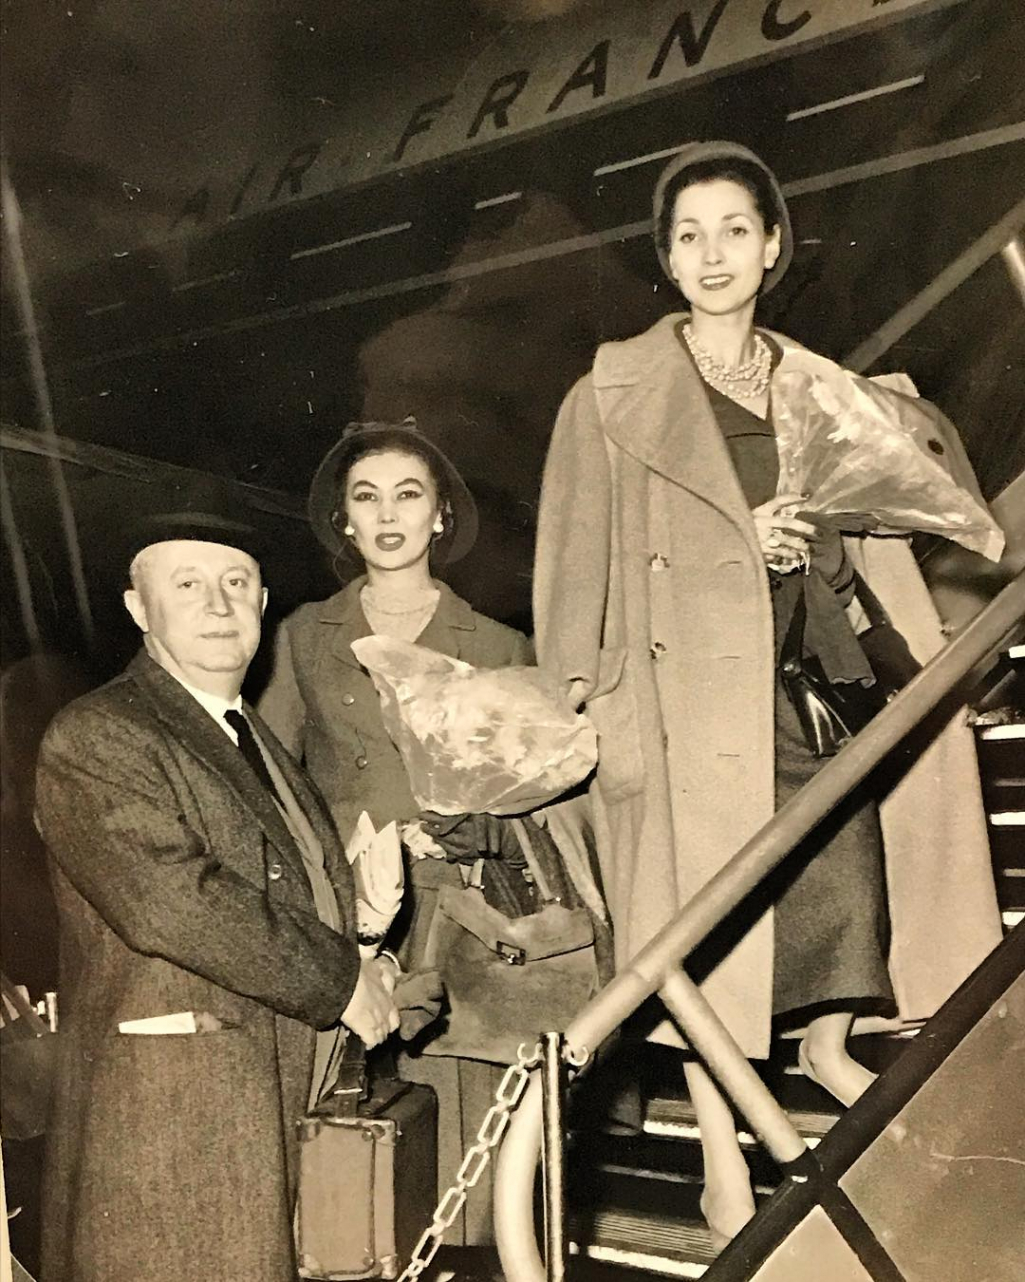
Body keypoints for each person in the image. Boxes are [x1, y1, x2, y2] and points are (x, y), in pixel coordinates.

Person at [532, 140, 1002, 1249]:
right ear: (665, 258)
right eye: (688, 235)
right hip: (682, 706)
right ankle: (718, 1160)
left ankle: (828, 1052)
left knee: (837, 895)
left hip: (804, 686)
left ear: (772, 246)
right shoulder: (609, 393)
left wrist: (813, 539)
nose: (712, 254)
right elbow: (572, 572)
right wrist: (581, 709)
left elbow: (874, 532)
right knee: (712, 932)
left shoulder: (817, 387)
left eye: (734, 231)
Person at [34, 496, 401, 1282]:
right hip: (173, 1132)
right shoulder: (100, 733)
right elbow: (172, 900)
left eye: (236, 583)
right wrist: (342, 981)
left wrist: (366, 935)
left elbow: (276, 891)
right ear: (140, 609)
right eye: (187, 583)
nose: (217, 603)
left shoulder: (253, 739)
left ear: (263, 604)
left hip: (269, 1111)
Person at [258, 418, 533, 1244]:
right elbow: (267, 782)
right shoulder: (304, 636)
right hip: (345, 919)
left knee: (456, 1158)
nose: (387, 514)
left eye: (407, 495)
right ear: (343, 520)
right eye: (366, 497)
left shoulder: (495, 645)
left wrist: (464, 830)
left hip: (457, 923)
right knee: (346, 1158)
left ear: (439, 516)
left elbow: (532, 810)